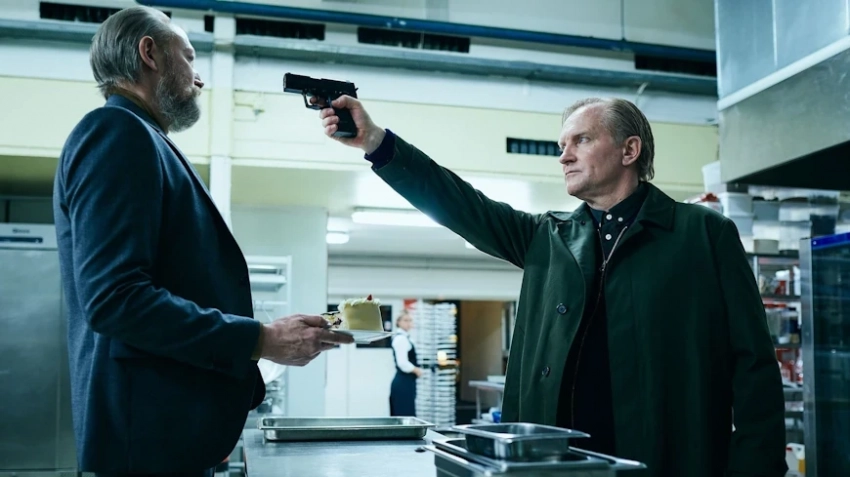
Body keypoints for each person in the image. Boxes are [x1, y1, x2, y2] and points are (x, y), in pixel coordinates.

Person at [314, 95, 787, 477]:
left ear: (629, 151)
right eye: (562, 144)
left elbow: (753, 364)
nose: (564, 155)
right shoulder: (547, 236)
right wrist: (376, 142)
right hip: (555, 463)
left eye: (582, 140)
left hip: (667, 460)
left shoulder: (702, 234)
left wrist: (755, 467)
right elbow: (460, 203)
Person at [53, 7, 353, 477]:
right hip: (145, 447)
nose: (199, 78)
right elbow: (116, 299)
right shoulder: (117, 133)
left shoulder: (144, 139)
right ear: (149, 53)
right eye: (189, 57)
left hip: (165, 439)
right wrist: (260, 339)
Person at [389, 312, 423, 416]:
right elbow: (402, 362)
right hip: (403, 383)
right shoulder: (400, 339)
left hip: (408, 382)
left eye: (410, 320)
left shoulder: (407, 338)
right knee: (404, 414)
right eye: (405, 320)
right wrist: (416, 370)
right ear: (398, 322)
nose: (408, 323)